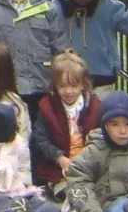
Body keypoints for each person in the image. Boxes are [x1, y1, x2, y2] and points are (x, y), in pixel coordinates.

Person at [32, 50, 103, 188]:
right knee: (62, 187)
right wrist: (59, 158)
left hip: (89, 163)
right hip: (57, 168)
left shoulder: (95, 106)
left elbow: (101, 137)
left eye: (74, 86)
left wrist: (88, 160)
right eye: (63, 86)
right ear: (55, 86)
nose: (69, 91)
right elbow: (40, 139)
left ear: (83, 84)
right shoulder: (47, 107)